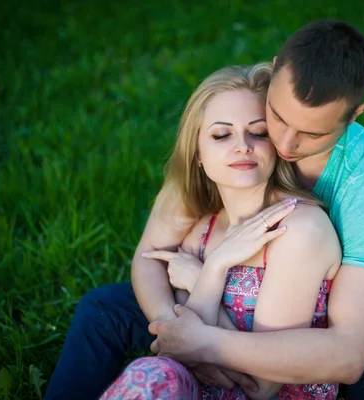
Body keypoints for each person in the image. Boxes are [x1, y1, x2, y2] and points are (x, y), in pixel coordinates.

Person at [44, 19, 364, 400]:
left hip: (332, 318)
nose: (284, 142)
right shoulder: (234, 132)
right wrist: (174, 329)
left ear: (354, 116)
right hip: (219, 297)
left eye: (311, 132)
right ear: (272, 76)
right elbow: (150, 257)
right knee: (103, 309)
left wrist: (205, 340)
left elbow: (346, 352)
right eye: (278, 119)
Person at [99, 62, 342, 399]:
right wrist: (211, 271)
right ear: (198, 153)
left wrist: (206, 274)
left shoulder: (299, 228)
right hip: (200, 390)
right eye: (221, 134)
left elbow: (261, 385)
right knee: (149, 374)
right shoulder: (201, 229)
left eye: (258, 132)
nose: (242, 145)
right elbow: (179, 347)